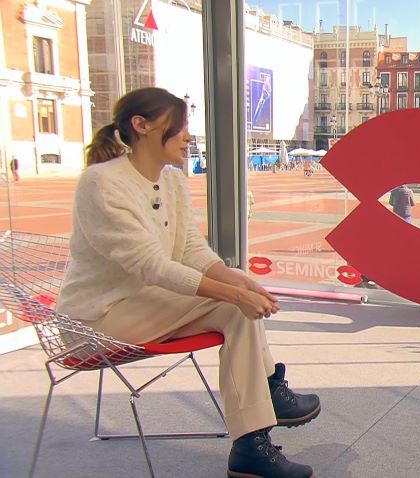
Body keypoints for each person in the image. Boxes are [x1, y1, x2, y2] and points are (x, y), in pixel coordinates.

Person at [55, 88, 320, 478]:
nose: (187, 136)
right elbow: (151, 266)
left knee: (238, 299)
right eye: (178, 126)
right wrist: (234, 293)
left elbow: (190, 249)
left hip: (143, 304)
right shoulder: (101, 183)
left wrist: (241, 282)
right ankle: (260, 416)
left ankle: (255, 431)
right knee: (233, 306)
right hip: (97, 319)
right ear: (141, 126)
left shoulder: (172, 180)